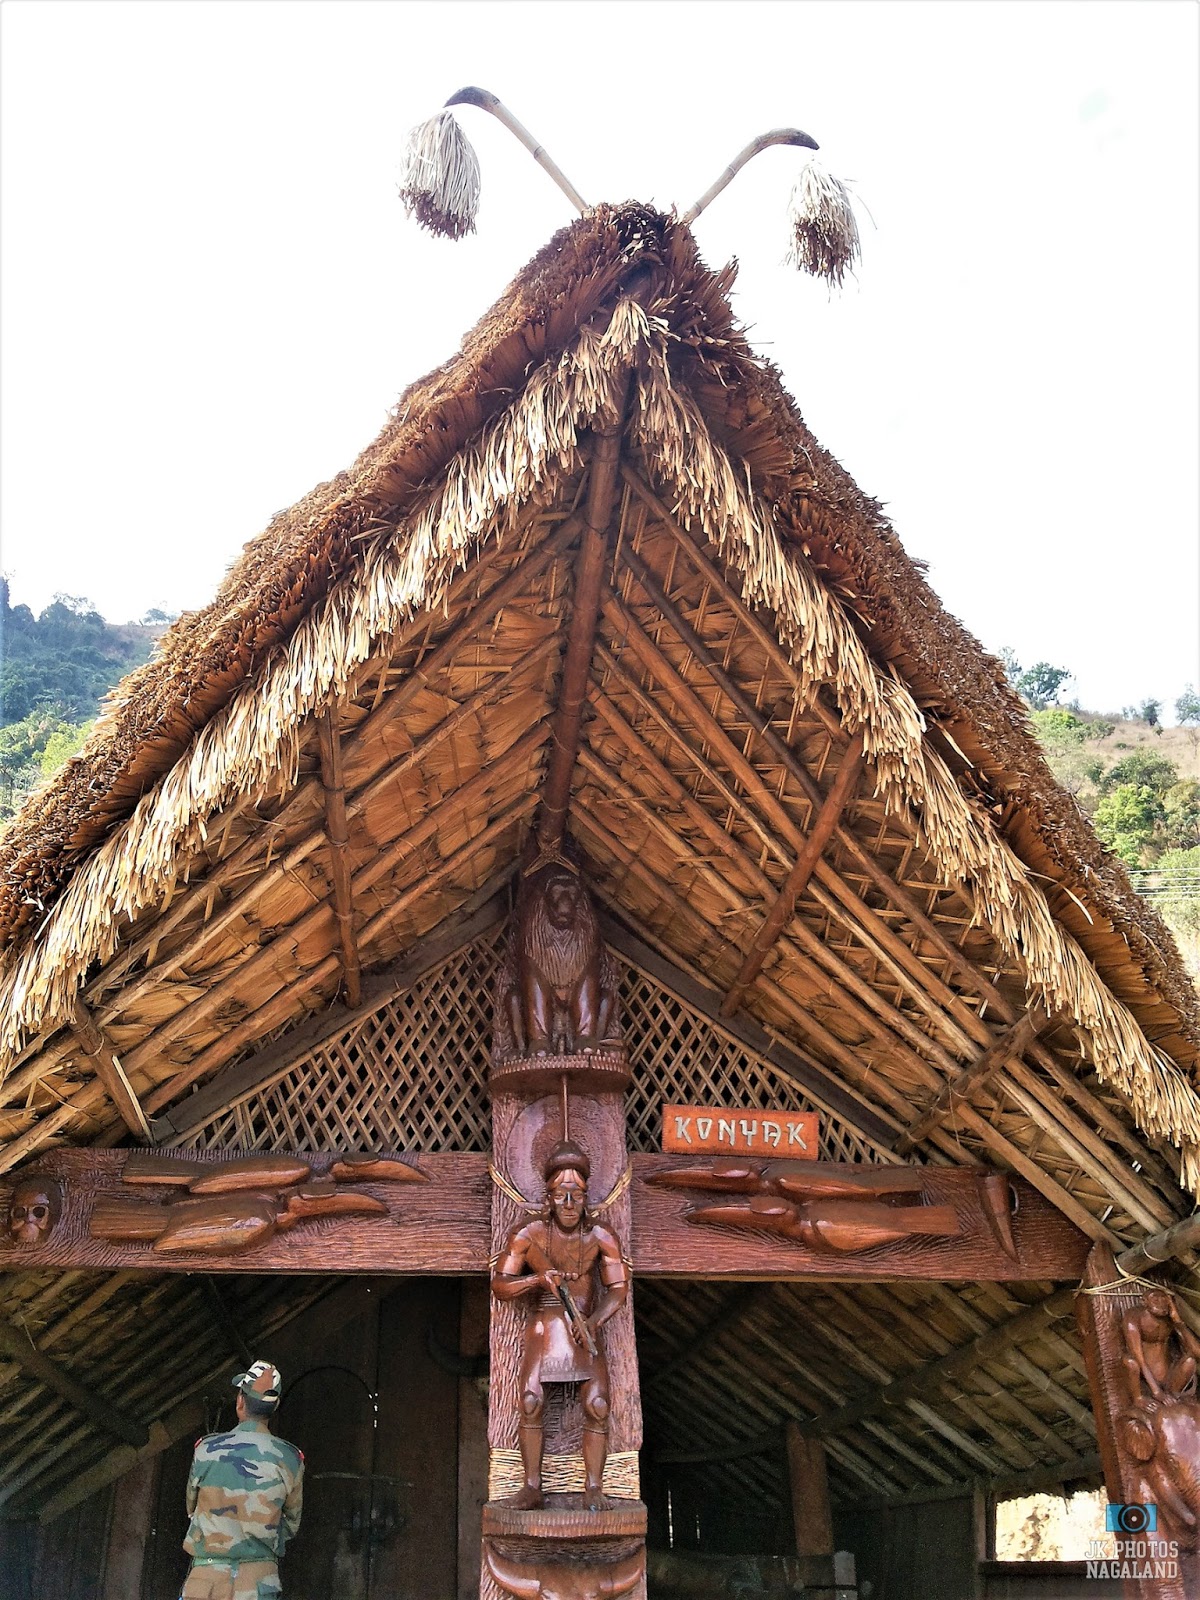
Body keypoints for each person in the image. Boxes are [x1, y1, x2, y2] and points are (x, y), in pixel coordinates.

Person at [491, 1139, 629, 1511]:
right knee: (530, 1400)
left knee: (598, 1405)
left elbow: (618, 1288)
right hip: (545, 1324)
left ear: (587, 1196)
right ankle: (532, 1485)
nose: (569, 1204)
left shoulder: (601, 1236)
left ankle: (594, 1487)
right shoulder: (529, 1235)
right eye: (561, 1195)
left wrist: (593, 1320)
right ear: (548, 1197)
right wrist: (536, 1281)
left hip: (585, 1325)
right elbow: (500, 1285)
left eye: (577, 1195)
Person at [180, 1360, 303, 1600]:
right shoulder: (290, 1459)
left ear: (240, 1401)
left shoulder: (206, 1450)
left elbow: (191, 1508)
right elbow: (291, 1524)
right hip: (259, 1585)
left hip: (206, 1585)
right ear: (275, 1406)